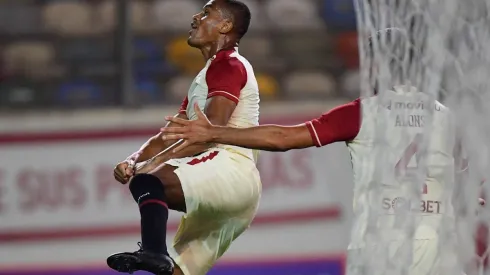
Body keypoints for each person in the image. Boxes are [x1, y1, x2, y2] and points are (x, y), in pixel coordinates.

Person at [161, 29, 471, 275]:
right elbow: (469, 192)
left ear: (376, 64)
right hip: (438, 245)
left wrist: (214, 132)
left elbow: (283, 138)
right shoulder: (446, 116)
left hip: (380, 243)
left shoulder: (362, 113)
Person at [106, 1, 261, 275]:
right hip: (230, 193)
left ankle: (153, 250)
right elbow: (169, 136)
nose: (195, 17)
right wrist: (133, 160)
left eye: (205, 13)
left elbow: (208, 135)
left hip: (230, 169)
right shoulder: (207, 75)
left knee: (149, 181)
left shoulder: (228, 65)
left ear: (225, 26)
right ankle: (157, 255)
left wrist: (149, 166)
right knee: (177, 272)